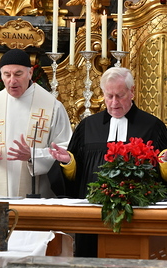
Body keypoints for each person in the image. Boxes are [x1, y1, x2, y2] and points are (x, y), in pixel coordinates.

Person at [49, 67, 167, 257]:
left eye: (119, 96)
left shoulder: (152, 127)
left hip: (137, 217)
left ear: (132, 92)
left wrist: (164, 163)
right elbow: (76, 178)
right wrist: (68, 163)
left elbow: (162, 177)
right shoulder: (88, 126)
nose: (114, 103)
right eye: (109, 96)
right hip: (93, 217)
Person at [0, 48, 72, 198]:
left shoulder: (52, 106)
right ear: (1, 75)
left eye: (18, 74)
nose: (12, 81)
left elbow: (64, 149)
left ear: (30, 73)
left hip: (37, 193)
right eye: (7, 75)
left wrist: (33, 156)